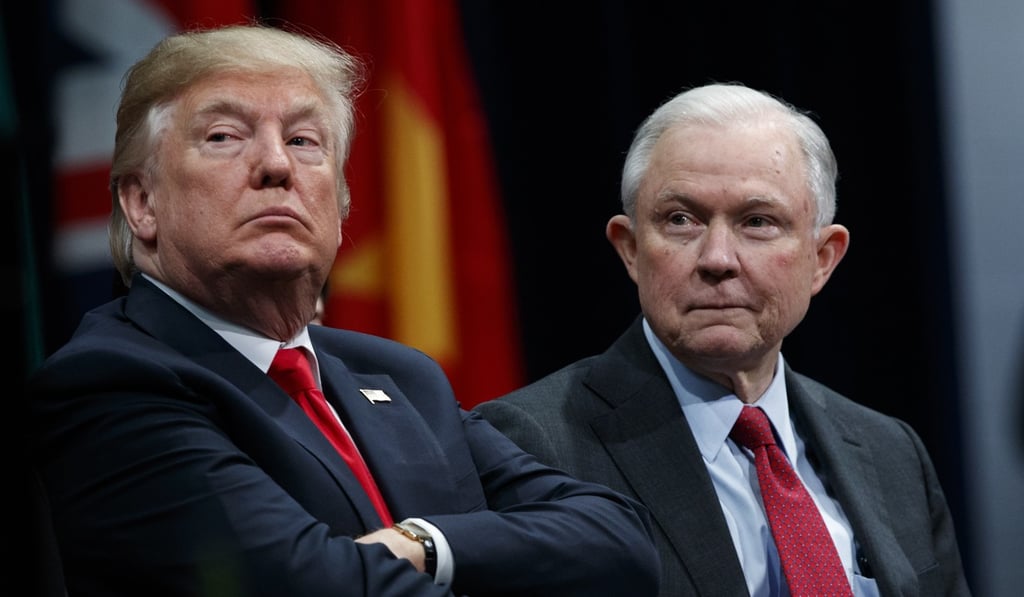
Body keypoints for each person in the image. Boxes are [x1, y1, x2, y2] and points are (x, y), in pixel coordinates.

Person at [27, 23, 661, 596]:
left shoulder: (399, 376)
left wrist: (422, 544)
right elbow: (309, 581)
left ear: (342, 205)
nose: (276, 165)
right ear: (142, 204)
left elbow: (619, 541)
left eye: (305, 141)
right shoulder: (112, 381)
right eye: (224, 137)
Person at [475, 82, 971, 596]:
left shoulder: (892, 453)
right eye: (681, 220)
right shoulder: (528, 444)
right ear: (630, 250)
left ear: (822, 259)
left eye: (757, 222)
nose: (717, 258)